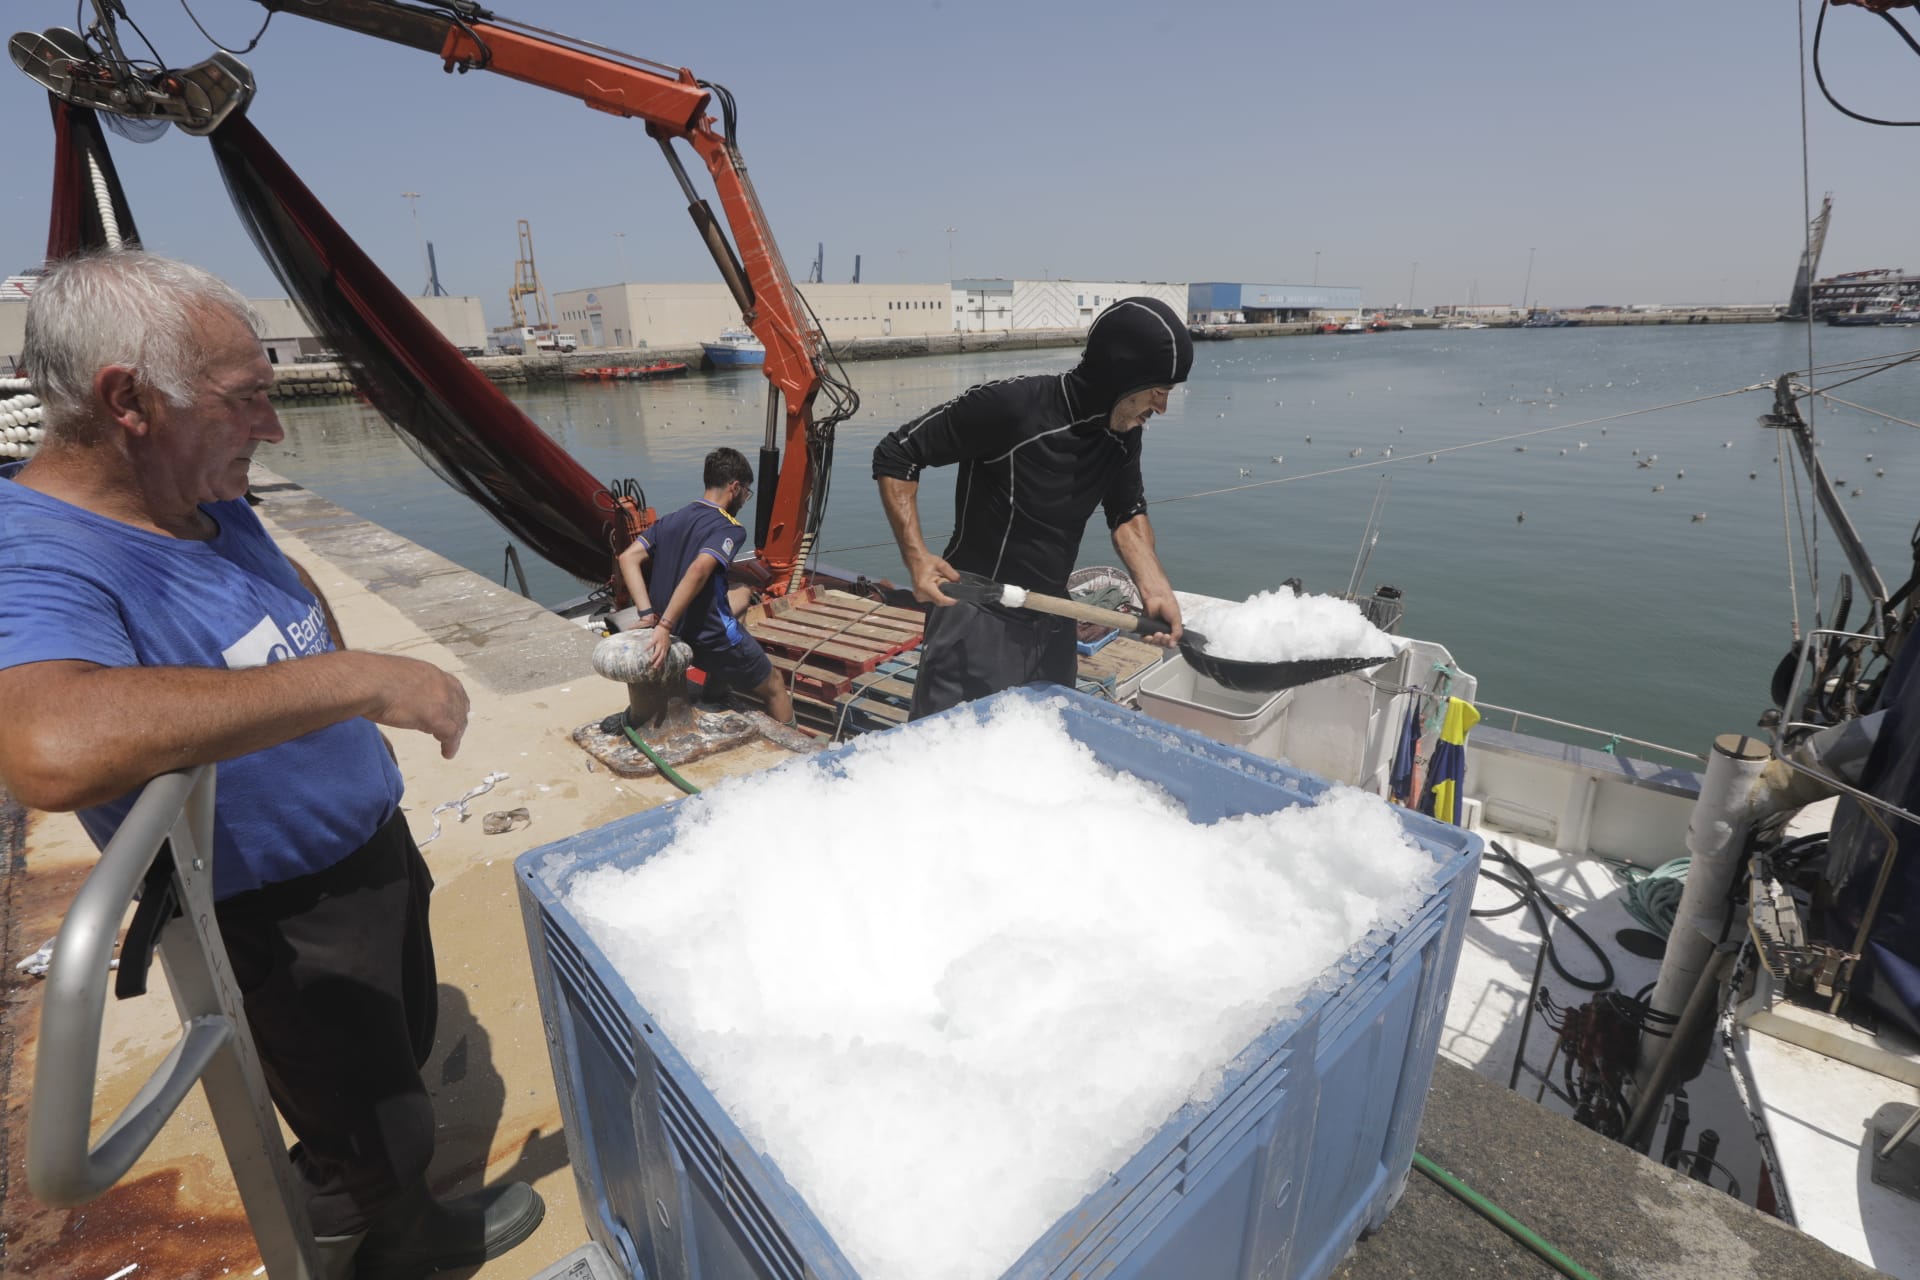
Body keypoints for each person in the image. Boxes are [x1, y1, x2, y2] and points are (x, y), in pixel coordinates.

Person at [0, 251, 543, 1279]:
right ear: (128, 400)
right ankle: (397, 1240)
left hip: (362, 852)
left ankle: (360, 1191)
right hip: (282, 915)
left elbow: (279, 575)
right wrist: (357, 680)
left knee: (399, 1054)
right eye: (246, 399)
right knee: (371, 1122)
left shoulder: (191, 488)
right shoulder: (35, 550)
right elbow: (49, 743)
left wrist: (335, 672)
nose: (274, 428)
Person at [872, 295, 1194, 719]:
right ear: (1121, 375)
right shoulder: (1012, 407)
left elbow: (1126, 513)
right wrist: (916, 558)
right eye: (1157, 391)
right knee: (950, 760)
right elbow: (898, 453)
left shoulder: (1122, 433)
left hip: (1052, 616)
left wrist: (1155, 587)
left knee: (1042, 752)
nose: (1162, 407)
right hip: (977, 614)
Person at [615, 447, 795, 724]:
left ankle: (714, 694)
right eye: (747, 492)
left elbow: (628, 558)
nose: (745, 499)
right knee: (775, 685)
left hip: (679, 631)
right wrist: (663, 627)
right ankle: (800, 756)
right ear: (735, 487)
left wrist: (649, 615)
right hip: (709, 637)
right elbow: (699, 568)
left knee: (742, 596)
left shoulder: (671, 519)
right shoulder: (730, 528)